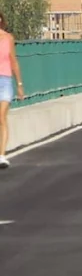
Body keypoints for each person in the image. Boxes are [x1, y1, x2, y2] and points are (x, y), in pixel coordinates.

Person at [0, 10, 25, 169]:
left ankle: (1, 155)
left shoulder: (8, 38)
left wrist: (20, 85)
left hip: (5, 81)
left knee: (1, 116)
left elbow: (14, 62)